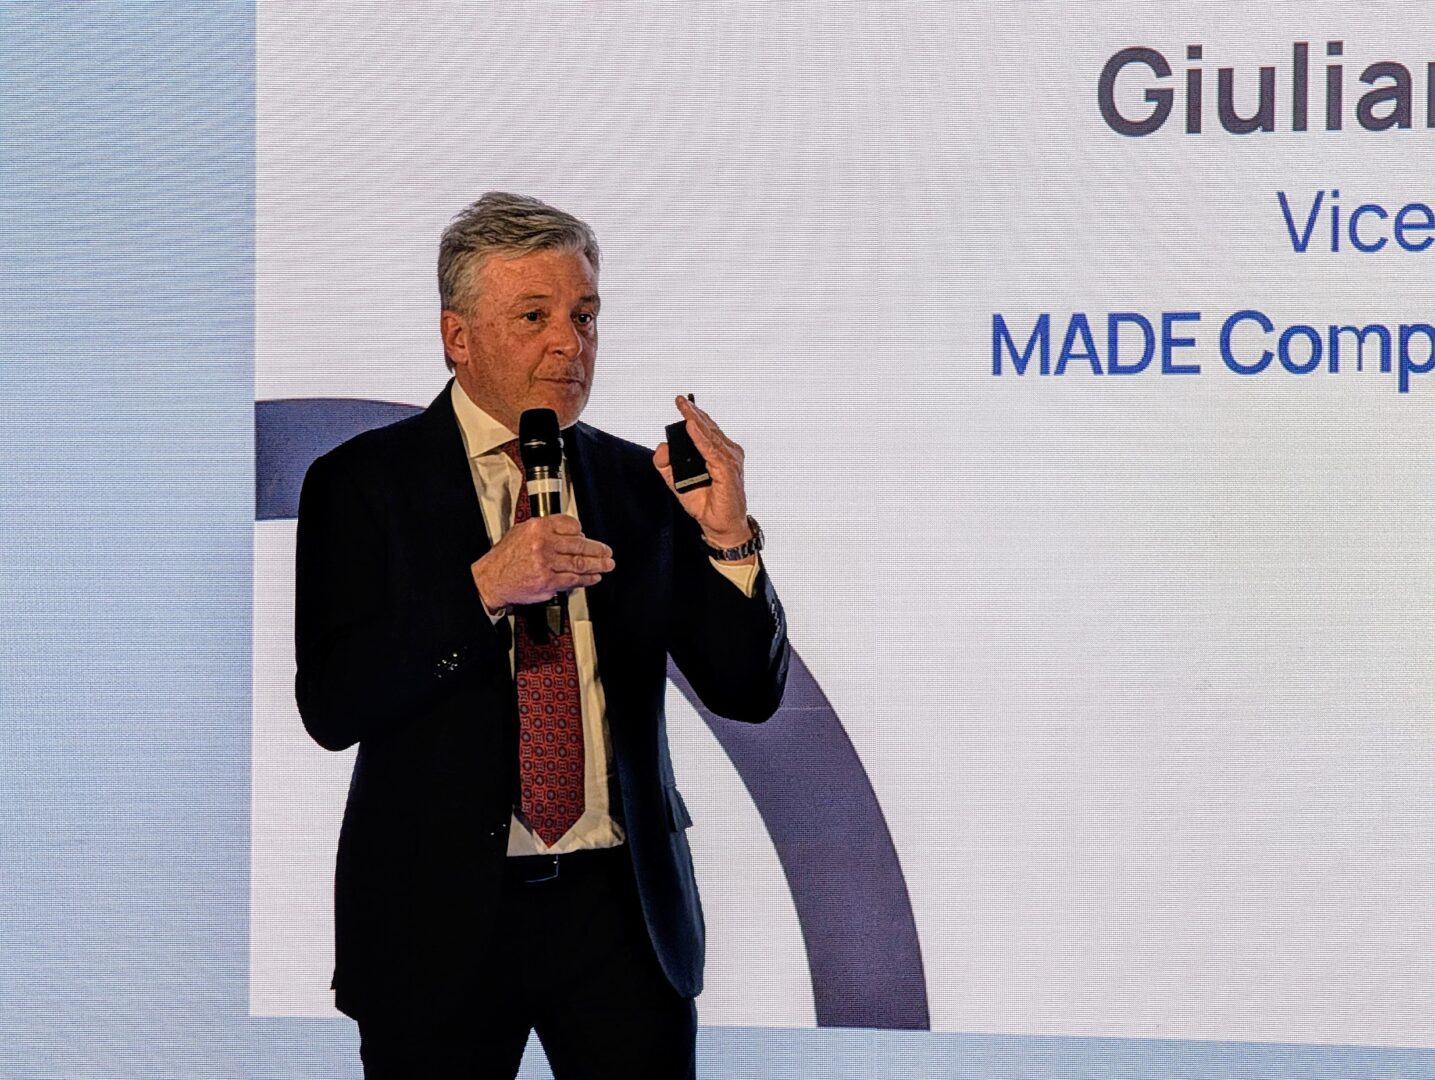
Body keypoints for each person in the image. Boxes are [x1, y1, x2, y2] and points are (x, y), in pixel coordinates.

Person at [294, 192, 790, 1079]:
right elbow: (333, 705)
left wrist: (727, 538)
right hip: (434, 920)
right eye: (535, 317)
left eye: (584, 316)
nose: (570, 343)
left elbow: (745, 691)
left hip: (621, 918)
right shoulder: (361, 483)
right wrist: (483, 589)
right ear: (457, 336)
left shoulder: (639, 484)